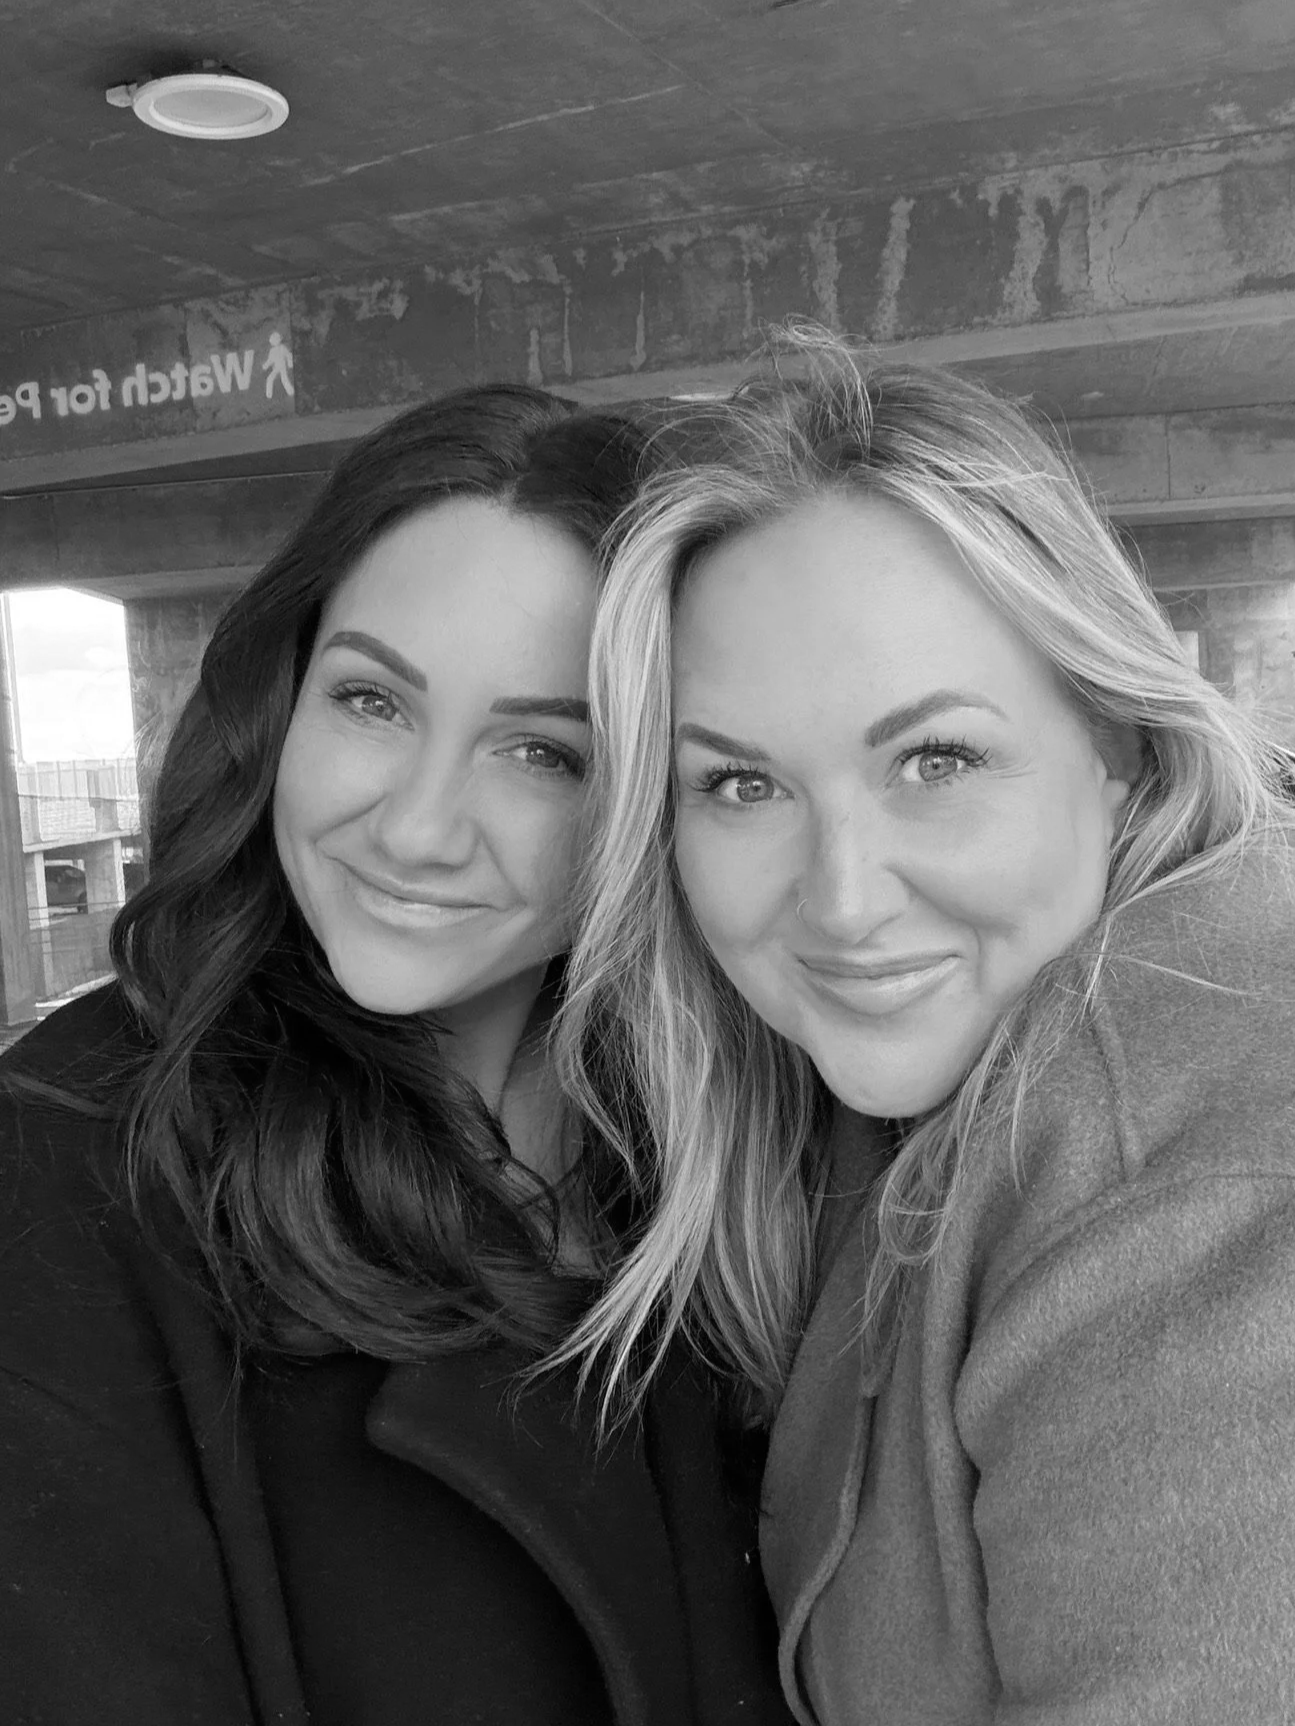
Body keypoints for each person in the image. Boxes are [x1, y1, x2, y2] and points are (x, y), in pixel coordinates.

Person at [0, 385, 792, 1726]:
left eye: (542, 749)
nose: (418, 827)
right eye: (372, 699)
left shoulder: (732, 1148)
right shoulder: (68, 1163)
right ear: (283, 696)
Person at [554, 329, 1295, 1724]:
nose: (839, 899)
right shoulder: (928, 1081)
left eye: (934, 758)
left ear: (1118, 744)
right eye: (738, 784)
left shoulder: (1198, 1169)